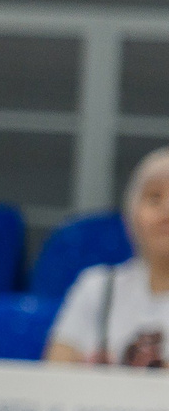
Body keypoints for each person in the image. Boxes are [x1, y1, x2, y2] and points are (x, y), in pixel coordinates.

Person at [46, 147, 169, 368]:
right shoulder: (97, 286)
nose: (166, 212)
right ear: (132, 216)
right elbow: (55, 373)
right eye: (154, 198)